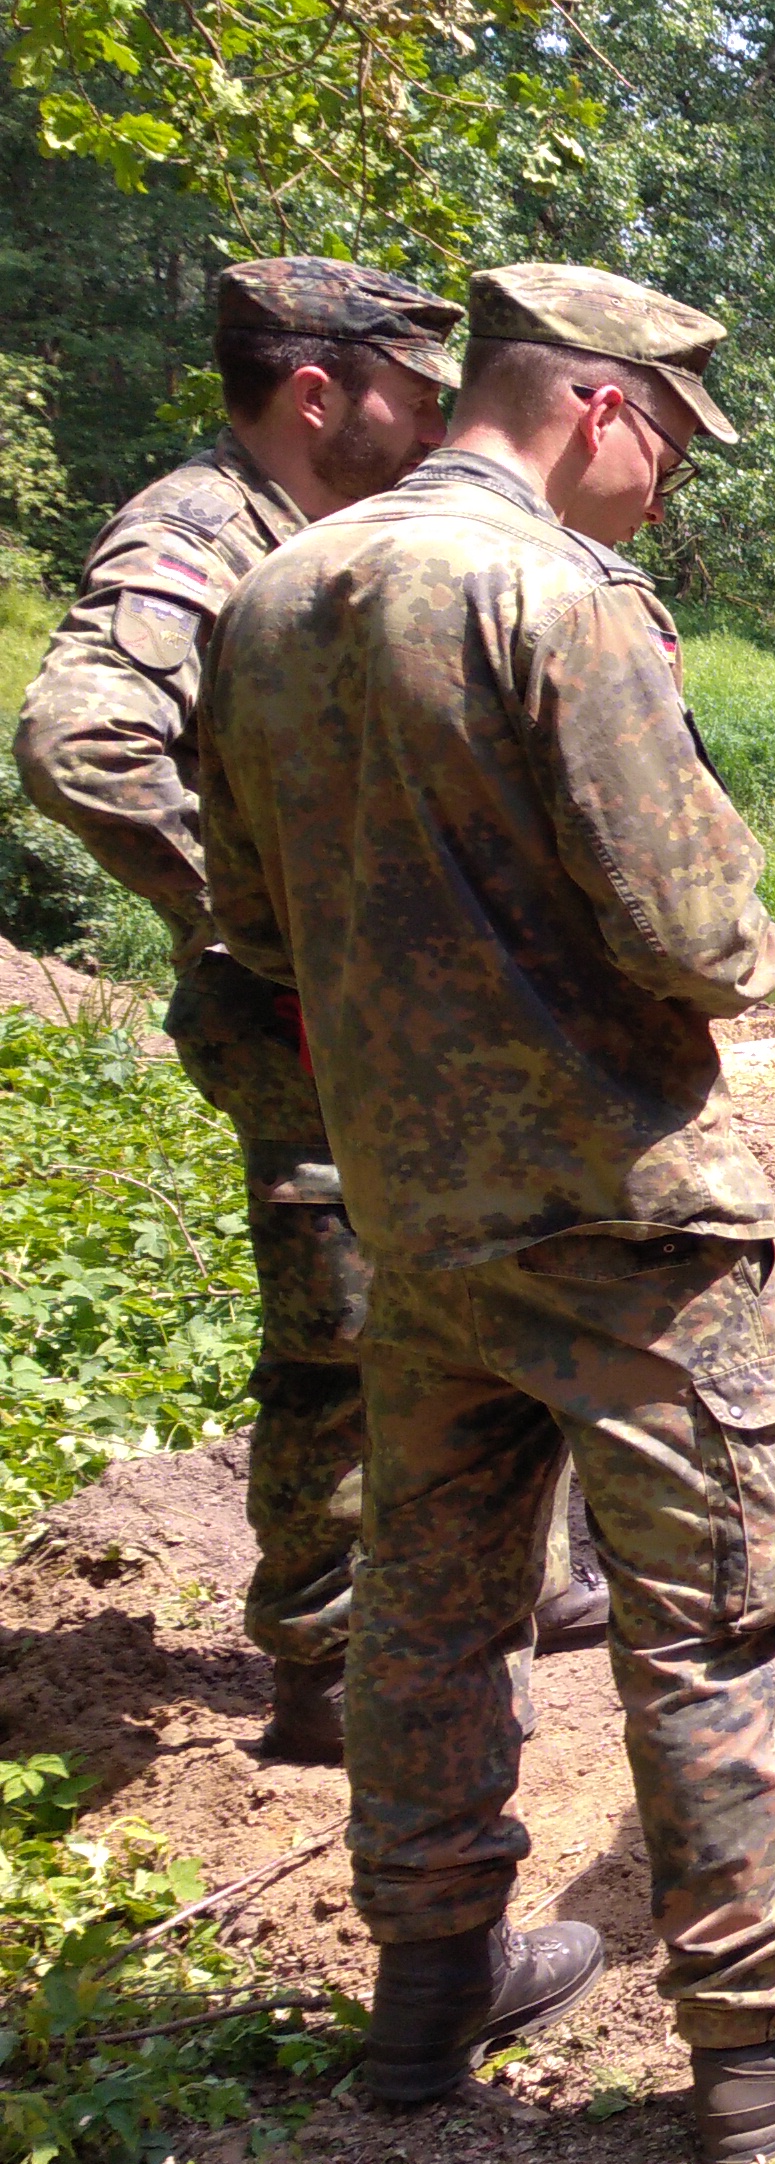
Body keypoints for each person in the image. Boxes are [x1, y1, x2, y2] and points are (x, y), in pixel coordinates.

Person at [198, 264, 775, 2162]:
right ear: (599, 412)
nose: (668, 497)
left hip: (413, 1212)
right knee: (712, 1610)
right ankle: (759, 2041)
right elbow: (702, 936)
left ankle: (431, 1989)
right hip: (623, 1217)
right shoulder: (559, 598)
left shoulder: (270, 598)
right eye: (671, 455)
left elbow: (254, 932)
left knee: (431, 1608)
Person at [10, 258, 607, 1772]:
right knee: (340, 1333)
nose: (432, 422)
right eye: (412, 395)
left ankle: (480, 1600)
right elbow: (82, 742)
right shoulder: (202, 531)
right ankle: (328, 1671)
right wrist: (275, 915)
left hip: (401, 1024)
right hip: (312, 1026)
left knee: (459, 1295)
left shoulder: (345, 534)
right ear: (316, 393)